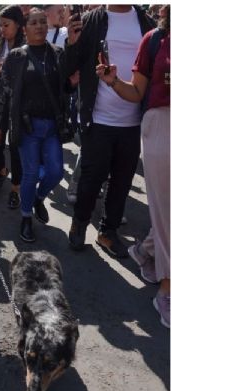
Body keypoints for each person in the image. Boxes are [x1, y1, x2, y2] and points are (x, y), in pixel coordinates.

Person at [97, 5, 170, 327]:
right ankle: (168, 288)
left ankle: (148, 250)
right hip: (164, 124)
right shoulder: (155, 39)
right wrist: (113, 82)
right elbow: (136, 91)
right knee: (171, 211)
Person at [64, 5, 155, 257]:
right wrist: (72, 44)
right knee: (91, 179)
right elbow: (70, 68)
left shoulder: (146, 22)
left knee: (122, 181)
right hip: (99, 117)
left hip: (133, 119)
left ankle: (107, 231)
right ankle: (80, 223)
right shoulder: (92, 20)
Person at [0, 7, 70, 243]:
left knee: (56, 172)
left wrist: (72, 85)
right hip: (27, 127)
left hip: (52, 126)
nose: (39, 26)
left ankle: (37, 198)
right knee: (30, 172)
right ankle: (26, 216)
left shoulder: (58, 53)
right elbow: (2, 95)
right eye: (33, 23)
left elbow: (64, 90)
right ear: (25, 29)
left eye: (43, 22)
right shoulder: (16, 56)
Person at [0, 5, 26, 210]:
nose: (2, 29)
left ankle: (16, 188)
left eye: (6, 25)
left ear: (18, 25)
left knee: (17, 147)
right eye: (0, 25)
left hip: (20, 103)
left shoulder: (27, 45)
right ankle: (1, 169)